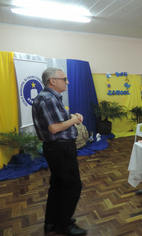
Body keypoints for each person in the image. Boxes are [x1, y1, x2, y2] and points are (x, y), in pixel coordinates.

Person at [32, 68, 87, 236]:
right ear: (53, 81)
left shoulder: (47, 97)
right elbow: (54, 128)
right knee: (72, 185)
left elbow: (57, 121)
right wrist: (73, 120)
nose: (67, 82)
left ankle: (51, 222)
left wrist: (72, 117)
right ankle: (63, 225)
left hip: (56, 148)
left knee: (58, 185)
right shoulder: (48, 98)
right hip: (60, 148)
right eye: (64, 79)